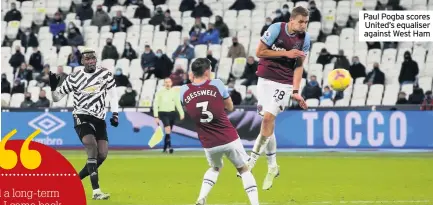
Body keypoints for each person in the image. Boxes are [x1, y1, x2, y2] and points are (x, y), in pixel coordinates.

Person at [179, 58, 259, 205]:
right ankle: (255, 203)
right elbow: (230, 107)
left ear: (192, 73)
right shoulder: (216, 84)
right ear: (207, 71)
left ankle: (201, 198)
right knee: (244, 169)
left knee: (215, 168)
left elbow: (189, 107)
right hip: (228, 137)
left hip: (208, 142)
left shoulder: (183, 91)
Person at [248, 6, 310, 190]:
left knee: (268, 119)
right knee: (269, 124)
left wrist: (296, 90)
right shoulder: (276, 29)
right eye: (301, 22)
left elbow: (299, 66)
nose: (304, 25)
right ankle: (272, 166)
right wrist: (285, 53)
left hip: (283, 83)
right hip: (265, 79)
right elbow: (259, 52)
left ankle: (251, 159)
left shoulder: (305, 39)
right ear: (292, 20)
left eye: (306, 22)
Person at [48, 48, 119, 200]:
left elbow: (113, 96)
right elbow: (56, 98)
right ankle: (96, 191)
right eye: (87, 59)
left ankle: (71, 182)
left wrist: (115, 113)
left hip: (99, 118)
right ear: (82, 61)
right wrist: (53, 88)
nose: (91, 61)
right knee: (91, 147)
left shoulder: (105, 75)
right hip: (81, 115)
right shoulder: (74, 77)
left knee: (103, 155)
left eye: (93, 58)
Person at [153, 78, 184, 153]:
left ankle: (165, 147)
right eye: (166, 82)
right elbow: (155, 104)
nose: (167, 83)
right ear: (164, 83)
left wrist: (181, 113)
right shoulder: (160, 92)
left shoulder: (174, 92)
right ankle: (169, 147)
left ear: (171, 83)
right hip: (163, 113)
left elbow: (178, 103)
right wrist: (156, 116)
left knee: (168, 131)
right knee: (167, 128)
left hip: (172, 113)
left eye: (169, 82)